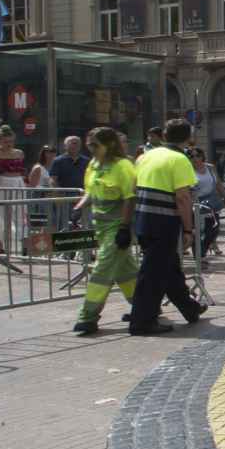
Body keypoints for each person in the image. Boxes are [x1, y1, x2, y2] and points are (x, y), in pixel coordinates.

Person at [129, 119, 207, 335]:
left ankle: (190, 308)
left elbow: (132, 190)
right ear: (189, 137)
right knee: (152, 274)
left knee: (169, 268)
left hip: (143, 219)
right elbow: (183, 198)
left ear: (164, 135)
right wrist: (189, 229)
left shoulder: (145, 156)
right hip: (164, 222)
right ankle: (142, 321)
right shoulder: (179, 159)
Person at [72, 128, 139, 335]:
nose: (90, 149)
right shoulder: (93, 165)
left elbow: (130, 198)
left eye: (95, 145)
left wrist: (124, 228)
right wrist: (77, 208)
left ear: (109, 145)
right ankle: (144, 307)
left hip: (117, 227)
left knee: (101, 269)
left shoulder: (123, 166)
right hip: (100, 226)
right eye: (89, 144)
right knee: (125, 272)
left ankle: (88, 316)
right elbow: (90, 191)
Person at [0, 125, 27, 254]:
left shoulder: (19, 152)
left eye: (11, 141)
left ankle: (24, 243)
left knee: (22, 212)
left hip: (18, 182)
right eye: (5, 141)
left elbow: (22, 169)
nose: (9, 144)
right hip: (2, 182)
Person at [190, 148, 225, 257]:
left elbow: (218, 184)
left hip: (211, 203)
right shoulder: (187, 170)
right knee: (197, 232)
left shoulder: (210, 167)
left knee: (213, 229)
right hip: (195, 204)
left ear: (202, 156)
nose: (195, 158)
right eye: (192, 156)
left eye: (197, 155)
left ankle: (204, 250)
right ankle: (199, 257)